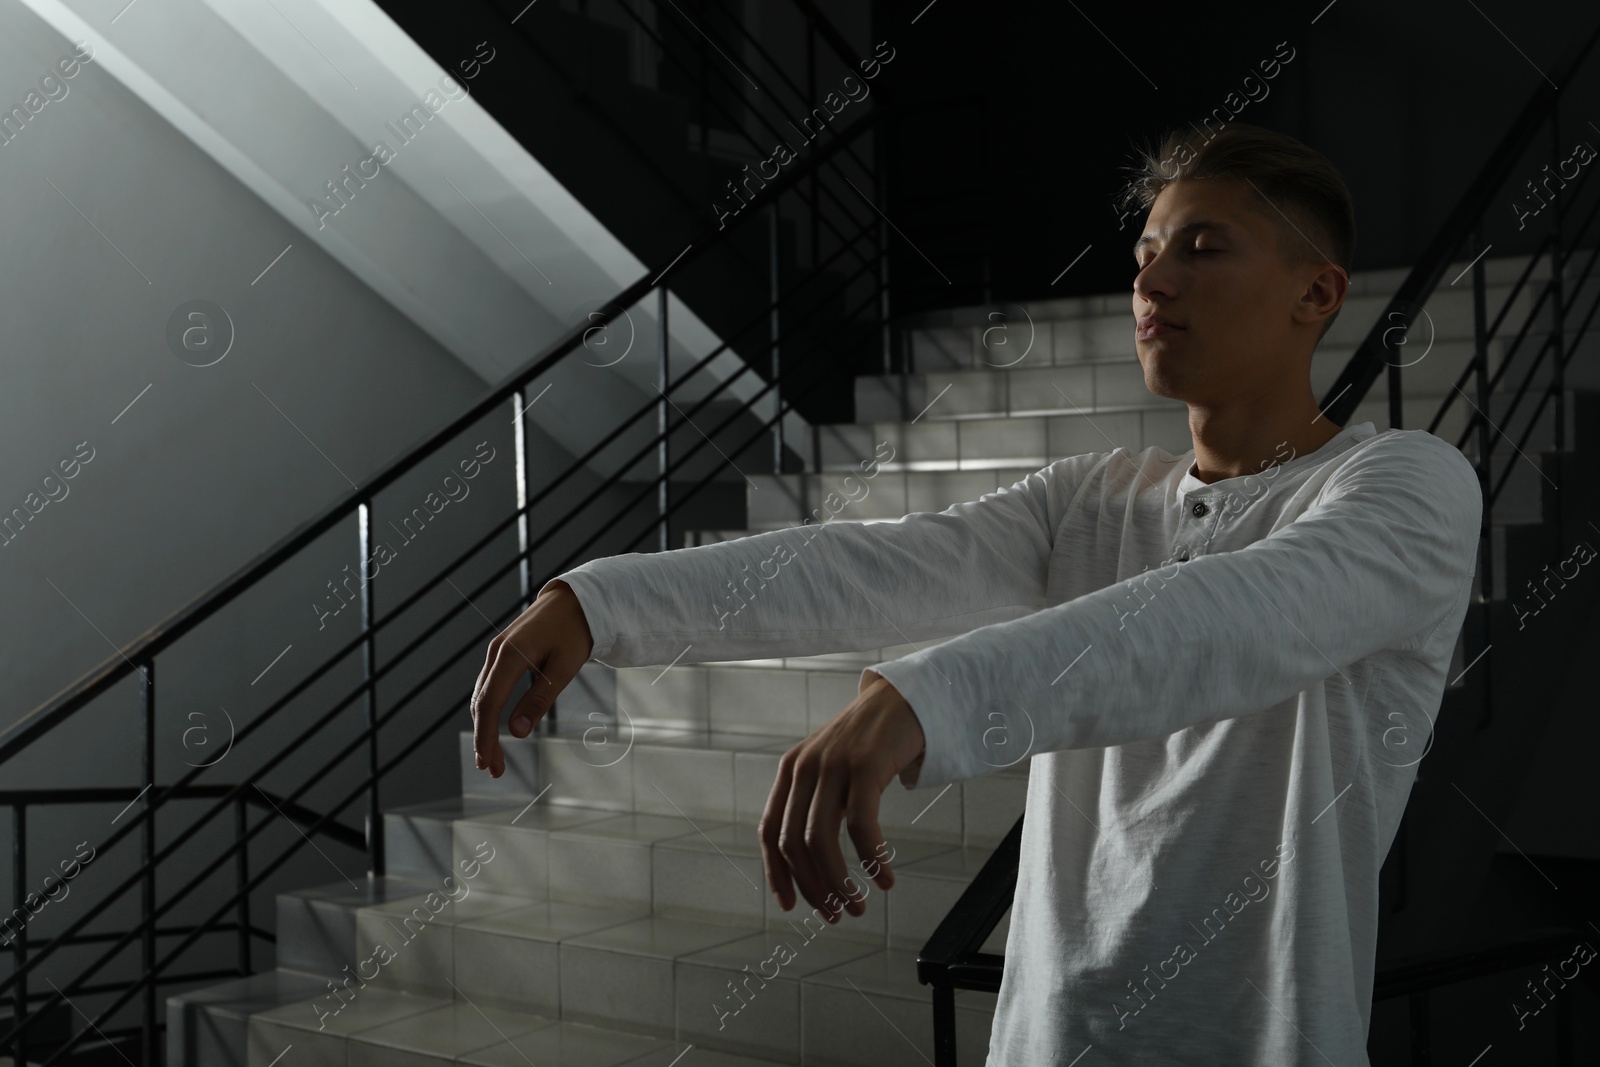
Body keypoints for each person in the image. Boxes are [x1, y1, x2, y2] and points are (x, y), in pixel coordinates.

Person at [469, 122, 1482, 1065]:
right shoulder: (1095, 495)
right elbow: (873, 562)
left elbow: (1229, 621)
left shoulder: (1406, 483)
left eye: (1202, 249)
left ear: (1315, 294)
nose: (1152, 281)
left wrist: (921, 699)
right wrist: (599, 602)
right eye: (1144, 254)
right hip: (1045, 1032)